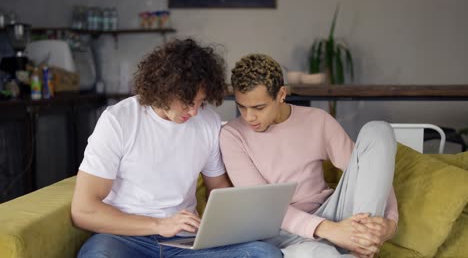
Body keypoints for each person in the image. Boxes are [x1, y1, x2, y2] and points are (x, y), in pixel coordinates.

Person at [71, 40, 282, 258]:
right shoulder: (119, 120)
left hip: (184, 241)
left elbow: (218, 187)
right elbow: (83, 211)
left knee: (263, 253)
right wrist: (159, 225)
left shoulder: (208, 122)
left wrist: (234, 225)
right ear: (163, 89)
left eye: (200, 102)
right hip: (123, 238)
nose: (194, 112)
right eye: (187, 102)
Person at [220, 54, 399, 258]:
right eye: (241, 106)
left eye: (259, 108)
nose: (249, 117)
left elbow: (372, 174)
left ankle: (364, 241)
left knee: (378, 130)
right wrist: (330, 229)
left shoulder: (317, 120)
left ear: (281, 94)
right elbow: (264, 206)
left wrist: (390, 224)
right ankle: (360, 250)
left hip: (331, 213)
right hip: (280, 232)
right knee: (320, 254)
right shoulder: (232, 135)